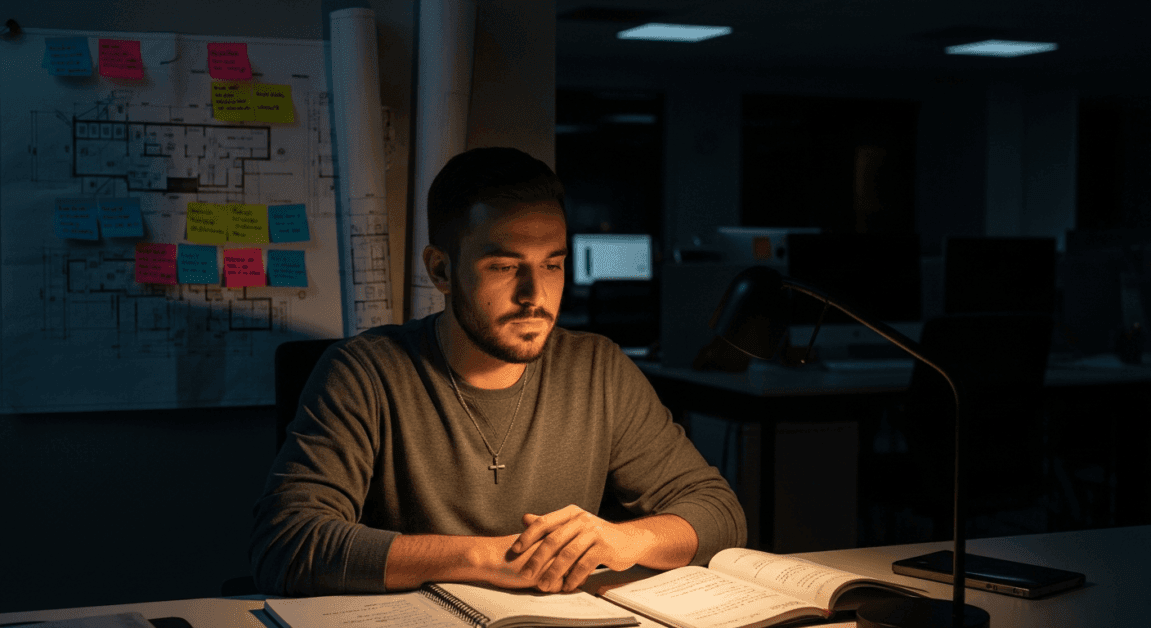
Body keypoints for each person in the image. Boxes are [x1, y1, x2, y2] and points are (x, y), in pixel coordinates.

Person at [250, 146, 746, 597]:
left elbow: (720, 512)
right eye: (505, 267)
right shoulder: (366, 373)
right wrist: (484, 556)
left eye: (552, 265)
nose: (535, 295)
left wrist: (624, 539)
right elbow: (287, 543)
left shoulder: (598, 369)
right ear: (441, 271)